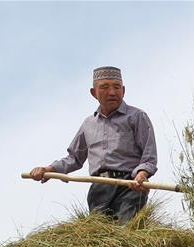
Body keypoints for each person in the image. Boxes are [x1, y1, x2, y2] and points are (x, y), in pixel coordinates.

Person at [29, 66, 157, 224]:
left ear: (123, 90)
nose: (112, 92)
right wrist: (48, 169)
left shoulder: (137, 117)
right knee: (100, 235)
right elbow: (74, 158)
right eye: (105, 87)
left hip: (130, 185)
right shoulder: (88, 124)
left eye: (116, 87)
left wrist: (142, 174)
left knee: (125, 230)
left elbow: (149, 155)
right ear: (93, 92)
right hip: (99, 188)